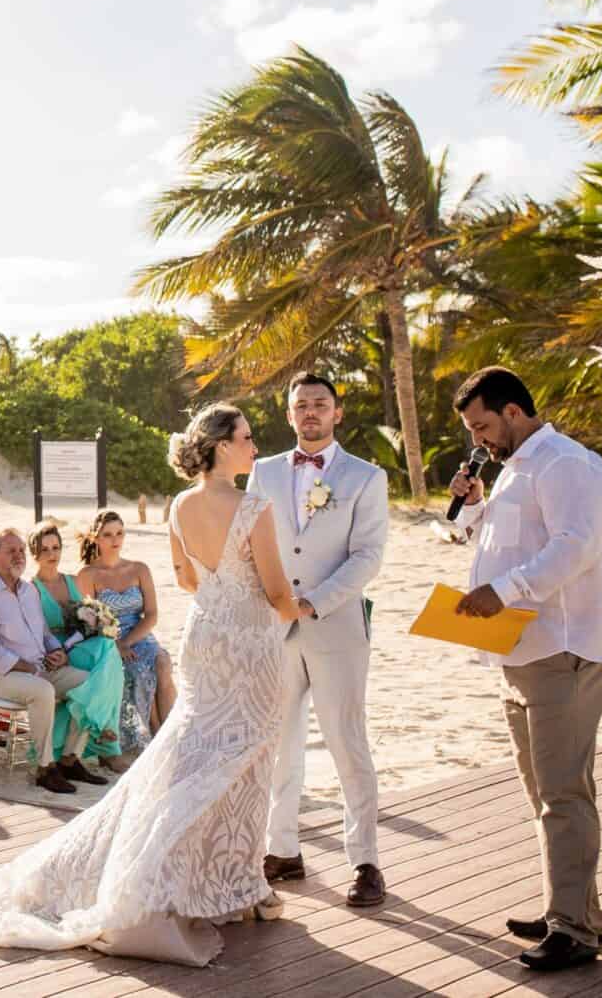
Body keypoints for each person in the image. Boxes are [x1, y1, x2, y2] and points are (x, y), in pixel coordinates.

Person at [0, 404, 303, 966]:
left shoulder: (179, 506)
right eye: (245, 438)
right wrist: (305, 604)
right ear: (220, 446)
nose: (253, 447)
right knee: (248, 756)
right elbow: (276, 592)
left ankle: (232, 882)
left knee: (190, 752)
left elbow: (188, 577)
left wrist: (228, 594)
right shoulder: (254, 507)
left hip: (206, 637)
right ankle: (240, 886)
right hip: (250, 645)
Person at [451, 365, 602, 973]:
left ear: (515, 412)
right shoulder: (516, 469)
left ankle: (572, 929)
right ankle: (574, 909)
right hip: (518, 653)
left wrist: (507, 589)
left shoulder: (567, 463)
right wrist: (472, 510)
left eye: (483, 426)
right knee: (546, 792)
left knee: (562, 794)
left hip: (563, 651)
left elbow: (576, 547)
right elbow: (506, 542)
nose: (480, 441)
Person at [248, 371, 388, 909]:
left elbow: (368, 555)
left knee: (346, 740)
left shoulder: (365, 476)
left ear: (337, 412)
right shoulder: (261, 473)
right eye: (301, 405)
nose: (310, 412)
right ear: (288, 415)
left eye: (320, 404)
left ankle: (366, 861)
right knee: (279, 743)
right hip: (274, 629)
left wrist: (314, 600)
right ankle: (283, 849)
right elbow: (253, 545)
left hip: (337, 626)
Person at [0, 528, 104, 795]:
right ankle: (44, 768)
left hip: (38, 669)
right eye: (10, 551)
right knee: (42, 690)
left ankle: (70, 759)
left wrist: (57, 651)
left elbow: (44, 633)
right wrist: (27, 667)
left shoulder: (29, 590)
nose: (18, 556)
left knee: (88, 682)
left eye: (20, 551)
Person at [28, 520, 125, 774]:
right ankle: (106, 739)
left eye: (56, 547)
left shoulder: (73, 580)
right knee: (106, 667)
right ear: (34, 554)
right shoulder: (32, 589)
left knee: (108, 646)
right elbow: (36, 631)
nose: (52, 554)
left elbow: (89, 616)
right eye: (45, 549)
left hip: (78, 647)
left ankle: (102, 733)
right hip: (54, 653)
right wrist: (55, 653)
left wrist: (100, 622)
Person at [77, 511, 174, 753]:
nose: (115, 539)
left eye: (119, 533)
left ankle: (170, 732)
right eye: (108, 535)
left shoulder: (139, 569)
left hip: (138, 633)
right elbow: (89, 622)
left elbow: (151, 615)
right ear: (95, 538)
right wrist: (117, 644)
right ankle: (150, 733)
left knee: (162, 662)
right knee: (138, 669)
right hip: (107, 639)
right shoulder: (88, 575)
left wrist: (129, 641)